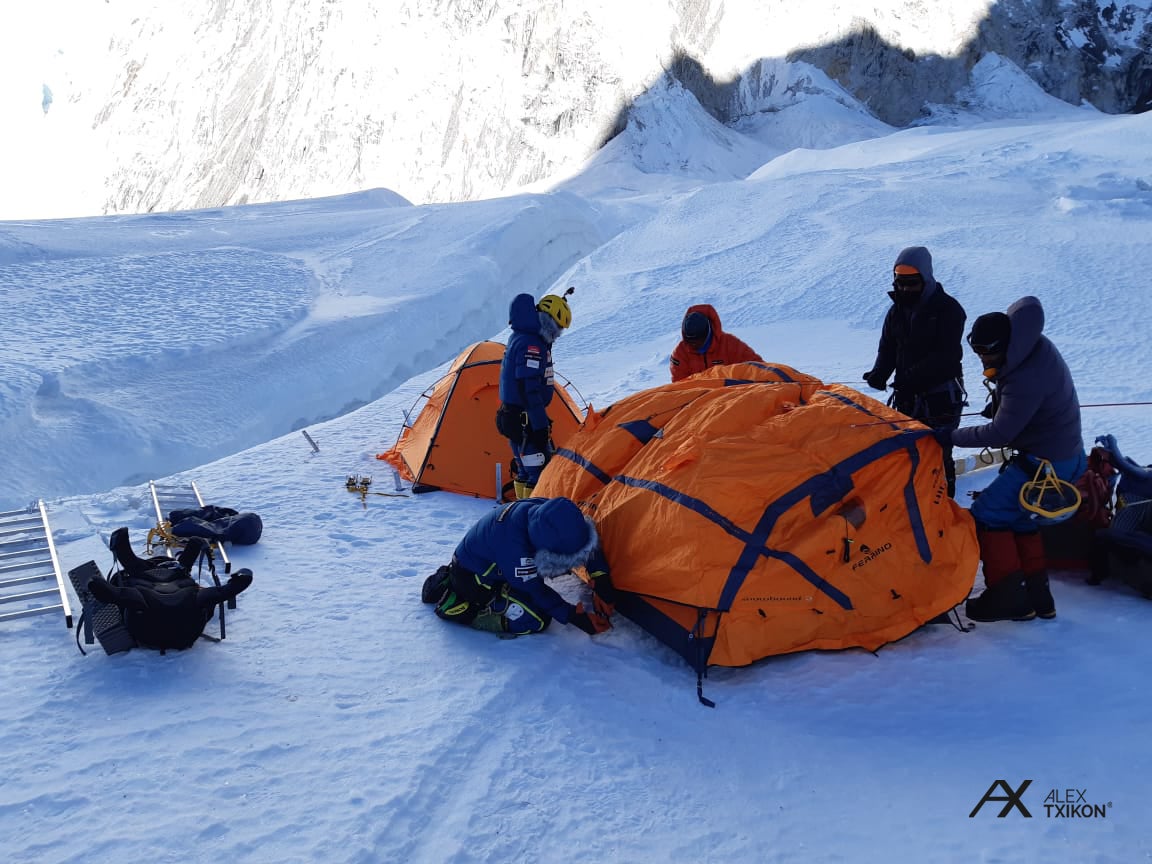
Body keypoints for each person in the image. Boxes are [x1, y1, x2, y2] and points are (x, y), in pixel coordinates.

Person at [935, 296, 1086, 622]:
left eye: (986, 353)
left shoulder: (1022, 378)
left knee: (988, 514)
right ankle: (1037, 597)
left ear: (1004, 345)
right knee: (1018, 519)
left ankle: (1006, 598)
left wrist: (949, 436)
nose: (982, 360)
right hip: (1066, 456)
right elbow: (1030, 402)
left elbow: (999, 433)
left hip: (1045, 466)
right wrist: (1005, 404)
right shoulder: (1034, 348)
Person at [420, 496, 613, 637]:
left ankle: (455, 584)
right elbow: (536, 591)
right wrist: (573, 616)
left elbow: (582, 540)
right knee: (536, 620)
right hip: (477, 580)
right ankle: (469, 611)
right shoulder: (516, 551)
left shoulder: (544, 512)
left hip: (487, 561)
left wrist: (601, 578)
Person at [863, 246, 967, 497]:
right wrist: (879, 373)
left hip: (941, 398)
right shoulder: (897, 310)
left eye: (911, 283)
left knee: (938, 451)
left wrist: (910, 379)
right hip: (907, 395)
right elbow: (887, 347)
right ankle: (914, 502)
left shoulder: (949, 310)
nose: (904, 289)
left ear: (926, 278)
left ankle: (943, 502)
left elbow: (947, 356)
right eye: (900, 283)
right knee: (909, 448)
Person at [496, 289, 572, 499]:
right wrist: (540, 426)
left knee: (524, 469)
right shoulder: (532, 345)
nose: (558, 335)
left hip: (513, 417)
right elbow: (529, 388)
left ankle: (523, 509)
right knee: (537, 471)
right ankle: (532, 513)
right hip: (525, 422)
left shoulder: (521, 337)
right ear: (549, 322)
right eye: (558, 328)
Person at [669, 304, 763, 382]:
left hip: (729, 397)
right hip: (698, 400)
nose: (694, 345)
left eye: (699, 341)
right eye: (690, 341)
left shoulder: (729, 344)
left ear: (708, 332)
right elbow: (679, 387)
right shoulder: (680, 354)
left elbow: (758, 368)